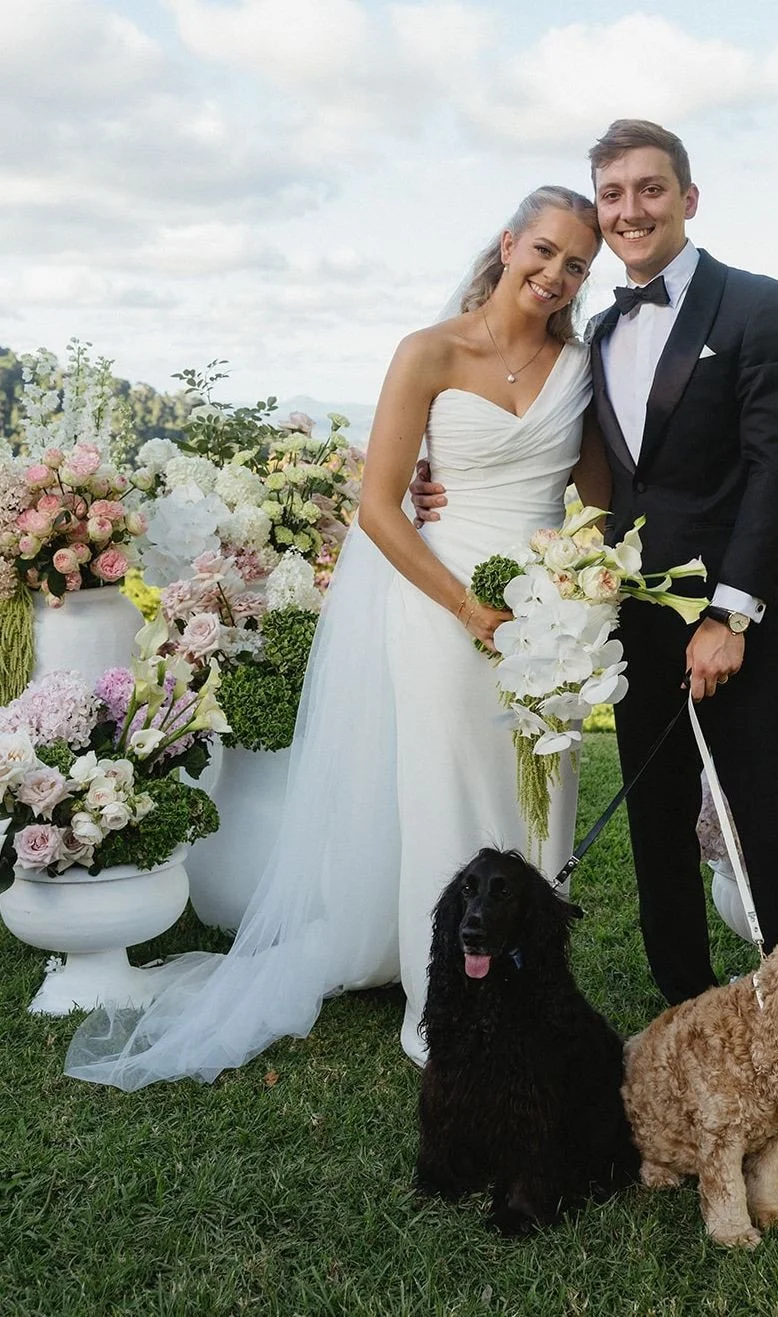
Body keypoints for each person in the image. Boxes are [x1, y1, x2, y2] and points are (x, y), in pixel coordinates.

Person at [64, 185, 608, 1088]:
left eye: (576, 264)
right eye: (545, 250)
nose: (557, 273)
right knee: (444, 790)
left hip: (549, 618)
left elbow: (595, 496)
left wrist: (578, 590)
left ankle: (527, 981)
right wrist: (467, 608)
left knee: (537, 792)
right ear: (509, 243)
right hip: (442, 606)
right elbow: (380, 506)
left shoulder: (580, 367)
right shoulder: (428, 352)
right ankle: (446, 1002)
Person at [413, 124, 778, 1154]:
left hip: (738, 615)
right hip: (634, 618)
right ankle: (688, 1019)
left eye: (650, 190)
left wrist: (728, 612)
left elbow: (773, 469)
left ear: (689, 197)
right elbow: (595, 472)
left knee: (768, 828)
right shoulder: (599, 329)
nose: (629, 211)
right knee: (656, 833)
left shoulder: (759, 304)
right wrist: (440, 482)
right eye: (613, 195)